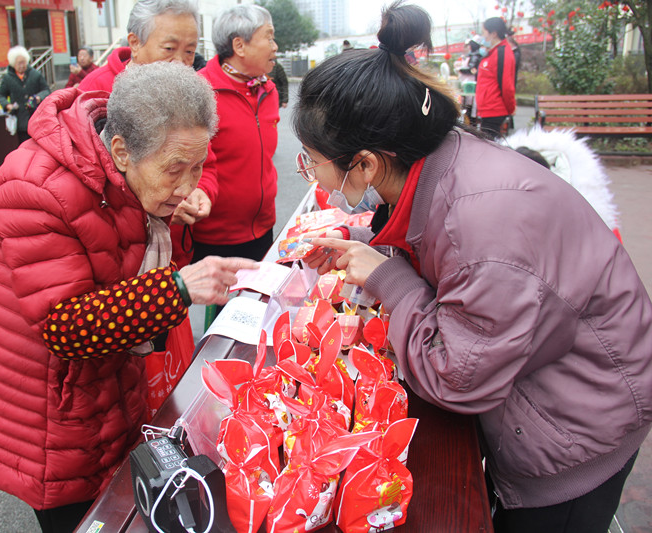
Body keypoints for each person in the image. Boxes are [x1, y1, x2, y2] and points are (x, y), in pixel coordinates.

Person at [293, 4, 652, 533]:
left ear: (366, 162)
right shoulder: (443, 160)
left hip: (573, 428)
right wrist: (370, 245)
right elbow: (439, 249)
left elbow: (456, 377)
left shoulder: (483, 224)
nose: (311, 176)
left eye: (311, 160)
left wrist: (386, 276)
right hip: (544, 383)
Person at [0, 62, 257, 532]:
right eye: (176, 170)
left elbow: (126, 261)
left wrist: (173, 221)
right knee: (81, 516)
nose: (189, 185)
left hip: (103, 386)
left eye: (198, 167)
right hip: (47, 406)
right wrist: (181, 287)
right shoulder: (35, 187)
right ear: (121, 151)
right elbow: (64, 327)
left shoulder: (125, 176)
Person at [78, 0, 217, 270]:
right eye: (169, 48)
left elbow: (206, 162)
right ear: (135, 42)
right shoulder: (93, 93)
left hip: (171, 254)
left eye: (190, 52)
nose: (180, 62)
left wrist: (201, 191)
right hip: (118, 265)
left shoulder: (190, 91)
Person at [193, 4, 279, 265]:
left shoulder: (268, 89)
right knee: (222, 306)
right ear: (240, 46)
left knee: (260, 302)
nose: (275, 46)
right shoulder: (200, 90)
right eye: (269, 37)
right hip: (216, 235)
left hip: (263, 226)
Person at [0, 46, 50, 143]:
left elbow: (46, 90)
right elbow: (0, 94)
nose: (22, 65)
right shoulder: (8, 78)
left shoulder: (35, 74)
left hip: (35, 118)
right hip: (19, 120)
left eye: (23, 62)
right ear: (13, 64)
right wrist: (7, 105)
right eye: (19, 63)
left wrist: (39, 97)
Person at [476, 16, 515, 138]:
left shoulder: (502, 53)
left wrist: (510, 108)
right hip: (488, 109)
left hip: (495, 109)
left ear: (493, 33)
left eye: (484, 33)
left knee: (489, 147)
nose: (483, 36)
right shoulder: (493, 52)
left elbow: (506, 85)